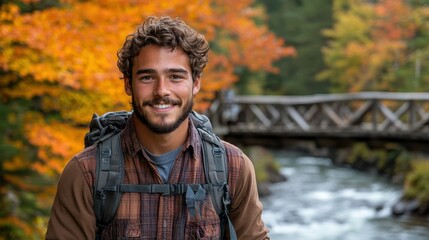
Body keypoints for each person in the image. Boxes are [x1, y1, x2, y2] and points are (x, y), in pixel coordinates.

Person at [45, 16, 269, 239]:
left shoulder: (233, 167)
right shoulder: (87, 172)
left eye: (175, 77)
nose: (162, 90)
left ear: (196, 83)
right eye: (147, 77)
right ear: (127, 84)